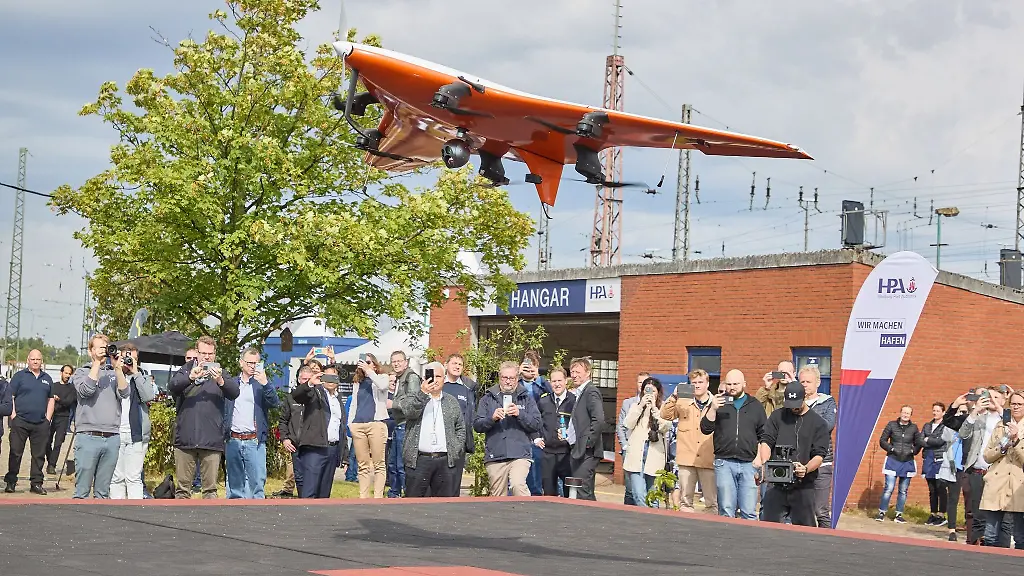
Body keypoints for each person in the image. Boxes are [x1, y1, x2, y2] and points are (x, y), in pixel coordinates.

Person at [168, 335, 240, 499]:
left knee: (210, 491)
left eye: (210, 354)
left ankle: (211, 523)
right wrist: (190, 378)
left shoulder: (220, 372)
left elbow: (234, 392)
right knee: (183, 490)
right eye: (203, 353)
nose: (207, 357)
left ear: (215, 354)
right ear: (197, 353)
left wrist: (220, 381)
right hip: (186, 438)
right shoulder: (186, 369)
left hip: (211, 438)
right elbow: (173, 386)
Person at [756, 381, 830, 526]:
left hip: (803, 486)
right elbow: (766, 440)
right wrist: (765, 463)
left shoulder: (818, 423)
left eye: (797, 403)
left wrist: (806, 468)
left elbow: (819, 455)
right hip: (777, 483)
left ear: (805, 398)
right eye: (790, 404)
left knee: (805, 530)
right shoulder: (777, 416)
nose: (794, 408)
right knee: (768, 527)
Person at [700, 369, 766, 519]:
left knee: (748, 511)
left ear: (744, 384)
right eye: (729, 384)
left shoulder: (755, 405)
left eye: (736, 383)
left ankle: (749, 542)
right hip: (724, 462)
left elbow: (764, 434)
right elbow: (705, 429)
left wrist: (759, 458)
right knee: (726, 510)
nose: (732, 387)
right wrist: (713, 408)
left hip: (749, 463)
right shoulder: (719, 403)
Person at [71, 337, 131, 499]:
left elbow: (125, 393)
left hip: (112, 437)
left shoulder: (113, 373)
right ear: (91, 351)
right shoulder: (81, 372)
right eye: (99, 348)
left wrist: (118, 368)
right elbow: (86, 391)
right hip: (88, 436)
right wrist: (96, 363)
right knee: (82, 492)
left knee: (103, 493)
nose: (103, 351)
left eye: (105, 348)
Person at [474, 361, 543, 496]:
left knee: (518, 485)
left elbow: (537, 423)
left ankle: (528, 516)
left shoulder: (526, 398)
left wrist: (520, 414)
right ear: (500, 377)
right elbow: (477, 425)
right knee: (498, 495)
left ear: (517, 379)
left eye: (511, 378)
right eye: (505, 378)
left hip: (519, 454)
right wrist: (491, 419)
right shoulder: (487, 398)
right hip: (495, 454)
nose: (508, 381)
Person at [398, 361, 466, 497]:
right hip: (419, 460)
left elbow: (460, 428)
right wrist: (423, 393)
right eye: (431, 376)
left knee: (443, 506)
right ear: (424, 378)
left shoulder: (451, 402)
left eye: (439, 377)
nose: (434, 380)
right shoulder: (414, 397)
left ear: (444, 378)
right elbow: (409, 412)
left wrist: (455, 447)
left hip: (444, 460)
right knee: (414, 504)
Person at [223, 348, 279, 499]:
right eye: (249, 363)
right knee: (234, 484)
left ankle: (257, 516)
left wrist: (266, 383)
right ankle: (234, 515)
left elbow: (274, 403)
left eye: (256, 363)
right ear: (241, 363)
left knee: (257, 485)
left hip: (254, 440)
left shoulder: (261, 384)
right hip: (233, 439)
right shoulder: (232, 384)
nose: (253, 366)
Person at [660, 369, 717, 513]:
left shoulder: (716, 404)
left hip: (708, 458)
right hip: (687, 459)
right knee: (685, 501)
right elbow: (665, 415)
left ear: (707, 383)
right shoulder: (682, 402)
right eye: (694, 383)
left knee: (712, 502)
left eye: (700, 382)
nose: (697, 385)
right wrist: (674, 395)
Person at [5, 349, 56, 494]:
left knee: (38, 455)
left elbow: (51, 399)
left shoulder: (47, 378)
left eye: (38, 359)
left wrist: (48, 418)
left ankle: (36, 483)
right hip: (20, 421)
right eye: (32, 359)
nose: (35, 361)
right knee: (15, 452)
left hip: (40, 423)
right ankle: (11, 482)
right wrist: (13, 414)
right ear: (28, 360)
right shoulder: (19, 376)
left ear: (42, 361)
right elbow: (11, 396)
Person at [978, 390, 1024, 548]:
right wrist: (1003, 446)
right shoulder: (1001, 425)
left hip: (1019, 484)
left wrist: (1017, 439)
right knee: (990, 534)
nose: (1016, 407)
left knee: (1020, 537)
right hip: (997, 480)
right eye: (1013, 404)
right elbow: (987, 455)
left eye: (1020, 404)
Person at [293, 367, 349, 498]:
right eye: (327, 377)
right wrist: (310, 383)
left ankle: (321, 518)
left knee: (324, 494)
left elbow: (341, 427)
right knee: (309, 491)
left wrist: (344, 454)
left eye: (334, 377)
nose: (331, 380)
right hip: (315, 448)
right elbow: (297, 396)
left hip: (332, 449)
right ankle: (305, 517)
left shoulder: (338, 399)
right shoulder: (315, 393)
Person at [110, 344, 156, 499]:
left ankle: (136, 512)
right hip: (116, 431)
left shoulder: (142, 376)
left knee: (133, 477)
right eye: (126, 358)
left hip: (137, 432)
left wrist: (135, 372)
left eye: (133, 359)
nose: (129, 362)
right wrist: (118, 368)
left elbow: (149, 396)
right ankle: (116, 512)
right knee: (117, 478)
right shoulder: (113, 375)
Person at [622, 377, 671, 507]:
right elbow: (627, 423)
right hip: (636, 456)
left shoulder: (664, 407)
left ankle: (653, 523)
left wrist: (654, 409)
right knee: (639, 495)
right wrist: (641, 406)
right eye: (647, 390)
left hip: (655, 456)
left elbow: (665, 427)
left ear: (658, 392)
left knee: (653, 497)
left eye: (653, 391)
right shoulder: (635, 406)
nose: (649, 394)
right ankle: (643, 521)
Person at [348, 354, 390, 499]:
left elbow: (383, 386)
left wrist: (370, 372)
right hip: (358, 425)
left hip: (376, 424)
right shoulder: (357, 382)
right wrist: (351, 423)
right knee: (363, 464)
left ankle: (378, 497)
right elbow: (354, 403)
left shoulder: (382, 377)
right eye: (362, 362)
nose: (365, 365)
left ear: (374, 364)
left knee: (379, 463)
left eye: (368, 362)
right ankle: (363, 497)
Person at [799, 365, 836, 528]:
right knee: (799, 508)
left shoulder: (827, 402)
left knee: (820, 510)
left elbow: (827, 425)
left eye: (808, 381)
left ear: (818, 383)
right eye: (802, 382)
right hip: (800, 462)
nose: (805, 384)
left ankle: (827, 543)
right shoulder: (793, 403)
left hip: (822, 461)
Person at [566, 357, 605, 501]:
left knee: (583, 491)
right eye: (572, 371)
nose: (574, 375)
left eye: (578, 371)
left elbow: (599, 419)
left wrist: (588, 442)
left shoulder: (591, 391)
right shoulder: (580, 393)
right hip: (578, 450)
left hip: (587, 451)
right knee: (583, 489)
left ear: (587, 373)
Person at [876, 405, 921, 523]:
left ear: (911, 415)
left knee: (903, 490)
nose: (905, 415)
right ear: (900, 413)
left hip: (907, 461)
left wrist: (913, 451)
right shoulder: (891, 425)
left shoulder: (914, 428)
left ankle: (898, 514)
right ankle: (881, 512)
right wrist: (891, 449)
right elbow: (882, 440)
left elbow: (918, 443)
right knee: (889, 488)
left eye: (908, 413)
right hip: (892, 460)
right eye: (904, 412)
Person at [440, 353, 477, 496]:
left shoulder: (468, 388)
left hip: (459, 441)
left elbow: (471, 414)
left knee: (455, 481)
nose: (457, 366)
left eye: (460, 364)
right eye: (454, 363)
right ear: (446, 365)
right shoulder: (440, 384)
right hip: (440, 440)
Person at [537, 367, 575, 497]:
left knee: (569, 493)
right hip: (547, 454)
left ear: (566, 381)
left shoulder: (574, 401)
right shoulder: (543, 401)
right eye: (554, 381)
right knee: (548, 493)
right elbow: (535, 422)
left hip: (567, 454)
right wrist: (536, 438)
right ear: (549, 382)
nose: (557, 384)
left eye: (559, 380)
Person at [276, 365, 311, 497]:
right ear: (298, 379)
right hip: (295, 443)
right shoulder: (291, 398)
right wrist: (285, 438)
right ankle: (302, 501)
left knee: (311, 475)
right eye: (303, 378)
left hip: (311, 443)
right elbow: (283, 420)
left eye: (308, 378)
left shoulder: (316, 397)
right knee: (299, 476)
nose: (305, 381)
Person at [519, 351, 551, 496]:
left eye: (533, 366)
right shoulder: (515, 382)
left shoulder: (542, 385)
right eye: (527, 365)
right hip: (519, 434)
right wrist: (517, 373)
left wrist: (539, 378)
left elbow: (555, 396)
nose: (529, 369)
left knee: (536, 476)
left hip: (538, 436)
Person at [617, 371, 650, 505]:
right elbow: (621, 426)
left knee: (646, 488)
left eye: (645, 382)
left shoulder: (658, 402)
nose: (642, 385)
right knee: (631, 489)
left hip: (649, 450)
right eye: (640, 382)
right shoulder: (628, 403)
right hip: (630, 450)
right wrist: (625, 446)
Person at [918, 401, 950, 527]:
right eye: (934, 410)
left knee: (940, 487)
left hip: (939, 459)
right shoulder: (927, 425)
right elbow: (920, 440)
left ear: (943, 412)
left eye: (938, 410)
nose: (935, 412)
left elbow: (941, 441)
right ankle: (933, 513)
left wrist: (928, 439)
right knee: (931, 489)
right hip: (928, 459)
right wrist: (928, 441)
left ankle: (941, 515)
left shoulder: (945, 426)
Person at [46, 364, 77, 476]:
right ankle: (50, 461)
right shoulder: (53, 386)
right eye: (66, 373)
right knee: (46, 441)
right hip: (52, 416)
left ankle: (52, 465)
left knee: (58, 442)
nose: (67, 375)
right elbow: (48, 399)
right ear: (61, 373)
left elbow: (68, 402)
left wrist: (58, 399)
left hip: (63, 418)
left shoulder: (72, 389)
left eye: (69, 373)